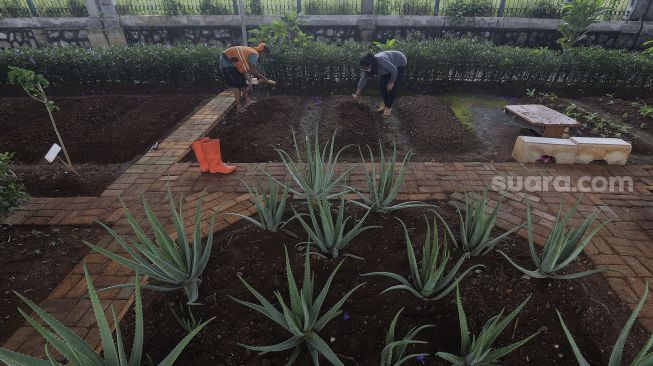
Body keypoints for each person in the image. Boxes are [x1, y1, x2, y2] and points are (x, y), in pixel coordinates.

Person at [219, 43, 276, 113]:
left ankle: (248, 100)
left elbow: (246, 71)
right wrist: (263, 78)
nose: (265, 56)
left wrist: (250, 82)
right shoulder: (254, 54)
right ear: (263, 52)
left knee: (243, 82)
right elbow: (252, 71)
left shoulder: (252, 52)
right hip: (227, 62)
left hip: (235, 63)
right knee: (237, 85)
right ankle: (238, 107)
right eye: (265, 54)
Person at [352, 50, 407, 117]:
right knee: (382, 85)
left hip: (399, 62)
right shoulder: (367, 68)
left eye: (365, 67)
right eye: (363, 68)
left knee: (393, 88)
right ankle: (386, 105)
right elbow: (363, 79)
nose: (364, 69)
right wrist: (357, 93)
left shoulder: (380, 61)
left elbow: (394, 70)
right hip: (387, 69)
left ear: (370, 64)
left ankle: (388, 108)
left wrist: (391, 82)